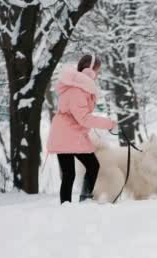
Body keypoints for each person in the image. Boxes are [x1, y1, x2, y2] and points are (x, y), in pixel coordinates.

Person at [47, 54, 117, 204]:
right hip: (67, 134)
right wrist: (109, 124)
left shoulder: (79, 87)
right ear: (89, 71)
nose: (98, 74)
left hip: (69, 133)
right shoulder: (77, 90)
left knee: (74, 172)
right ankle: (78, 202)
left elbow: (81, 117)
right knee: (79, 170)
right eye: (97, 71)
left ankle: (77, 202)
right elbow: (84, 118)